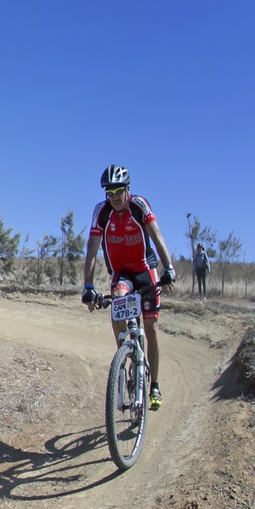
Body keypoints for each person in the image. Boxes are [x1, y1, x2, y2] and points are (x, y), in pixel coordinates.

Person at [81, 165, 176, 411]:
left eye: (118, 191)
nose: (114, 196)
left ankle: (154, 385)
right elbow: (91, 250)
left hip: (145, 271)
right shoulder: (101, 213)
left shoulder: (139, 206)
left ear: (128, 190)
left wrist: (169, 268)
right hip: (122, 274)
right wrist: (88, 286)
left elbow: (157, 236)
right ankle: (127, 351)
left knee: (151, 328)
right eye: (109, 192)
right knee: (118, 301)